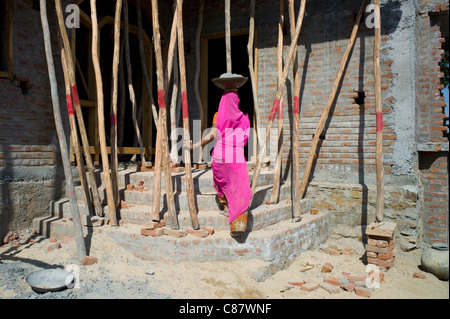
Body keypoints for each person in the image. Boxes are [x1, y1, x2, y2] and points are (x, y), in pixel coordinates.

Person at [191, 73, 252, 237]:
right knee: (241, 187)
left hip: (219, 156)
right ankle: (237, 226)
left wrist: (195, 145)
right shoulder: (244, 119)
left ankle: (224, 201)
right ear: (237, 100)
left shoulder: (218, 116)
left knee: (224, 181)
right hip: (235, 158)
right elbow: (243, 138)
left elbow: (211, 135)